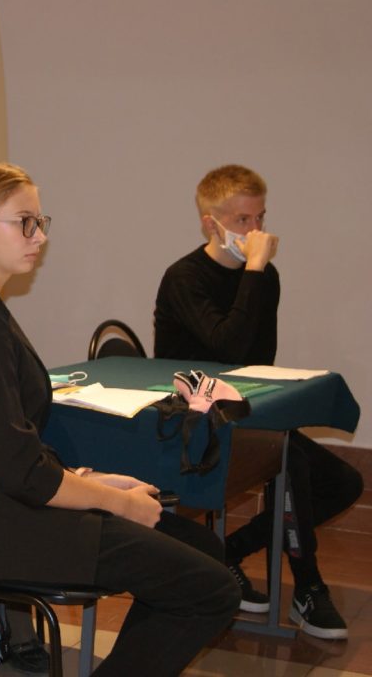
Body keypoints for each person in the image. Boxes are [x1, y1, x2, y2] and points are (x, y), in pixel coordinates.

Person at [0, 163, 240, 676]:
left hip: (2, 504)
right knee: (210, 589)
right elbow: (22, 471)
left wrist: (91, 480)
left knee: (202, 548)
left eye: (40, 222)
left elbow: (10, 447)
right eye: (25, 222)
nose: (39, 236)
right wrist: (117, 503)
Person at [153, 164, 362, 639]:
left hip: (244, 413)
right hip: (195, 423)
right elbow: (226, 349)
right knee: (293, 461)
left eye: (260, 217)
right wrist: (252, 270)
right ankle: (308, 588)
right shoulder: (185, 277)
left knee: (344, 483)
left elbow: (255, 360)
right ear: (212, 224)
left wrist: (257, 274)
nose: (256, 231)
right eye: (243, 220)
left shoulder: (265, 278)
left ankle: (226, 552)